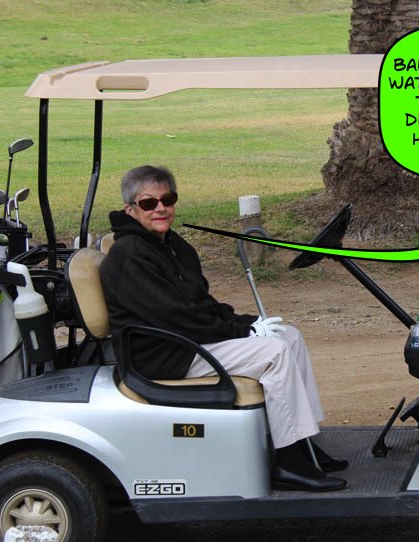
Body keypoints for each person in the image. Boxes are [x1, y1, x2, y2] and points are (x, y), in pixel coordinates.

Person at [100, 165, 346, 492]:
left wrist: (245, 322)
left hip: (184, 342)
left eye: (167, 199)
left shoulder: (171, 245)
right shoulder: (132, 255)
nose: (160, 208)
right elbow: (177, 316)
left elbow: (201, 303)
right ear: (130, 209)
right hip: (163, 355)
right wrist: (241, 331)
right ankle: (288, 462)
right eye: (148, 203)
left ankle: (302, 442)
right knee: (275, 353)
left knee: (289, 336)